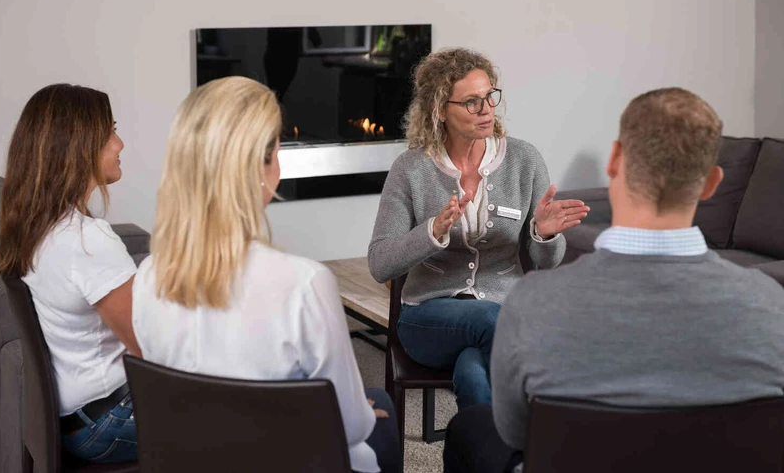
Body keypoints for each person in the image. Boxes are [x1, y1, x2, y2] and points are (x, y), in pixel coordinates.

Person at [443, 87, 784, 472]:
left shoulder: (532, 303)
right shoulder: (771, 304)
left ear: (615, 159)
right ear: (712, 182)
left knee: (471, 426)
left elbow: (515, 432)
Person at [131, 76, 399, 473]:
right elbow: (351, 427)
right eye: (277, 148)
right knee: (383, 411)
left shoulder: (148, 277)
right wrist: (361, 411)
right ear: (260, 166)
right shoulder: (304, 284)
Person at [368, 48, 588, 408]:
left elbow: (547, 262)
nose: (486, 109)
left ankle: (485, 440)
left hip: (502, 317)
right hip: (430, 318)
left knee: (474, 368)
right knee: (492, 320)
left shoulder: (525, 160)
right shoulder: (410, 169)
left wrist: (544, 234)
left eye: (489, 97)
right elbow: (380, 265)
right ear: (439, 109)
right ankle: (553, 414)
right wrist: (433, 231)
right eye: (471, 102)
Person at [0, 84, 140, 463]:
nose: (120, 144)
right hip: (108, 420)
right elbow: (149, 348)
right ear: (79, 146)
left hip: (77, 417)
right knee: (254, 413)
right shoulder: (88, 240)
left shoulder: (37, 225)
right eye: (110, 132)